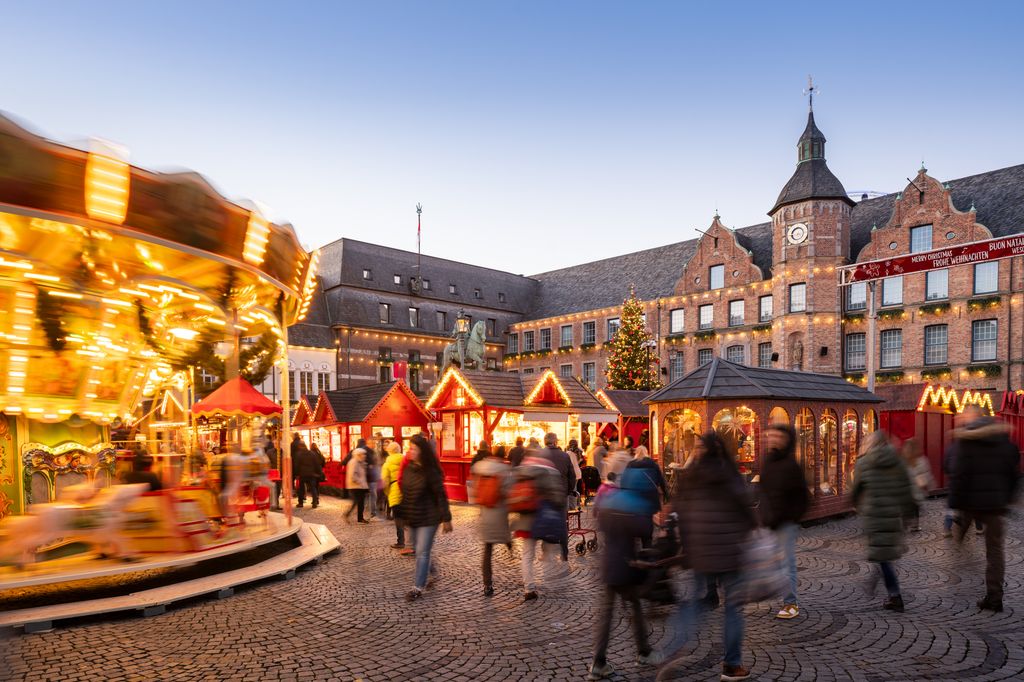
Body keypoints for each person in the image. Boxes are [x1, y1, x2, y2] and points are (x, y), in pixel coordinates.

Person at [659, 432, 755, 682]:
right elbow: (747, 513)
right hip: (730, 554)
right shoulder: (731, 476)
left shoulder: (692, 477)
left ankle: (670, 651)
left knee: (695, 604)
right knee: (733, 610)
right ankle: (732, 665)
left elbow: (678, 511)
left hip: (700, 553)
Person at [588, 461, 665, 679]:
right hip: (625, 566)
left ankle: (599, 661)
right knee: (635, 608)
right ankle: (643, 651)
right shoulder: (633, 504)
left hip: (609, 564)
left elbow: (601, 524)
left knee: (608, 614)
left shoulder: (610, 499)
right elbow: (645, 531)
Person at [946, 405, 1021, 612]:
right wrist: (1007, 498)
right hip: (996, 505)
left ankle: (961, 558)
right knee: (995, 552)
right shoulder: (1004, 442)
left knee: (960, 535)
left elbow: (959, 475)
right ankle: (995, 597)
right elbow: (1014, 474)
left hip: (970, 502)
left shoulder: (966, 442)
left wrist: (954, 504)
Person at [851, 430, 916, 613]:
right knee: (884, 555)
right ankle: (883, 587)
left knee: (883, 557)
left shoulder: (863, 463)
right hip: (893, 514)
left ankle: (894, 596)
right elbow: (906, 489)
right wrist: (909, 514)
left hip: (874, 516)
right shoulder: (898, 462)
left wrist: (855, 504)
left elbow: (856, 490)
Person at [759, 423, 809, 620]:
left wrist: (791, 517)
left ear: (787, 440)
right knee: (771, 562)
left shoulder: (792, 465)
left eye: (777, 436)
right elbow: (764, 491)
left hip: (785, 523)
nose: (772, 439)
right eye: (770, 435)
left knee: (787, 564)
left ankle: (791, 603)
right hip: (769, 521)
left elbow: (803, 498)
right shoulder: (769, 461)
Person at [399, 434, 453, 601]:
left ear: (422, 451)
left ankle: (418, 587)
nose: (410, 452)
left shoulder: (430, 472)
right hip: (414, 516)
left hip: (430, 517)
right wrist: (402, 513)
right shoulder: (409, 469)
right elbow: (406, 493)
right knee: (420, 551)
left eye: (414, 449)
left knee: (422, 552)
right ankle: (431, 568)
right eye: (410, 448)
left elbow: (441, 495)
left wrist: (446, 518)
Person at [510, 449, 563, 600]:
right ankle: (546, 555)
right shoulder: (549, 470)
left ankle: (529, 589)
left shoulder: (521, 470)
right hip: (545, 518)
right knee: (549, 541)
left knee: (527, 555)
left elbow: (512, 493)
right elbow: (557, 497)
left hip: (527, 520)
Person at [469, 444, 512, 596]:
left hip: (485, 511)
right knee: (505, 532)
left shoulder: (480, 466)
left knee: (487, 549)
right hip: (500, 511)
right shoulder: (504, 470)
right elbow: (508, 491)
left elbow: (474, 488)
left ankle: (487, 584)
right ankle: (510, 547)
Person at [540, 432, 576, 561]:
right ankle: (564, 553)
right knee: (562, 524)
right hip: (561, 495)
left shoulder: (540, 455)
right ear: (556, 442)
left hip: (545, 495)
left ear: (545, 442)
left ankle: (545, 552)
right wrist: (568, 491)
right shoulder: (564, 456)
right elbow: (572, 477)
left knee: (544, 522)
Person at [902, 438, 933, 532]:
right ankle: (915, 525)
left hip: (906, 491)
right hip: (916, 490)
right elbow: (927, 475)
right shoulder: (922, 460)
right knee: (915, 508)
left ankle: (905, 525)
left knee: (906, 508)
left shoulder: (903, 461)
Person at [381, 441, 408, 550]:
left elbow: (384, 481)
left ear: (389, 451)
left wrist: (387, 493)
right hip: (407, 491)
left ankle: (400, 541)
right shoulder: (406, 461)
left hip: (395, 492)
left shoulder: (387, 464)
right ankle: (414, 541)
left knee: (398, 518)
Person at [293, 437, 321, 509]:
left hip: (302, 474)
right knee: (313, 488)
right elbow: (316, 464)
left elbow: (296, 465)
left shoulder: (298, 454)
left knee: (301, 489)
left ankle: (300, 503)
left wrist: (296, 474)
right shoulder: (312, 453)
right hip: (311, 474)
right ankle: (314, 502)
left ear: (300, 446)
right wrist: (318, 472)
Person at [344, 447, 370, 523]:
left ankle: (360, 518)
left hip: (360, 486)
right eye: (363, 454)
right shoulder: (354, 462)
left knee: (360, 502)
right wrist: (360, 482)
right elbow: (352, 475)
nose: (364, 456)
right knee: (357, 501)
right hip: (355, 486)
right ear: (358, 455)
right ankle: (347, 514)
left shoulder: (360, 462)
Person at [365, 444, 381, 518]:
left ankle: (371, 510)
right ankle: (373, 511)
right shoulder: (370, 454)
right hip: (371, 479)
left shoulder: (369, 453)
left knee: (371, 495)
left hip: (370, 479)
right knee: (373, 495)